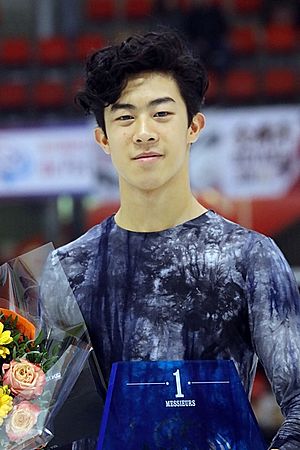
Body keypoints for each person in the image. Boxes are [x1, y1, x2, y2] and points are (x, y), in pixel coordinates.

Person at [41, 30, 300, 450]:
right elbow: (47, 420)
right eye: (125, 117)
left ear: (194, 125)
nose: (143, 132)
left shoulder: (250, 258)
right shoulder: (69, 269)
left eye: (161, 114)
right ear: (103, 139)